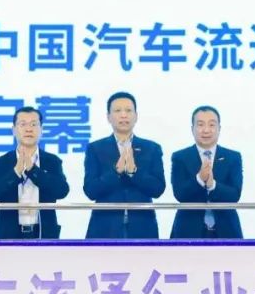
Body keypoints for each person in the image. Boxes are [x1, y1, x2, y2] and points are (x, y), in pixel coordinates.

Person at [83, 92, 166, 238]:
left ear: (136, 116)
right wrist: (116, 172)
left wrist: (134, 172)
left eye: (128, 110)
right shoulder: (95, 148)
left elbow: (158, 189)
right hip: (105, 228)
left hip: (143, 227)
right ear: (108, 117)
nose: (123, 115)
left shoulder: (151, 148)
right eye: (117, 111)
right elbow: (90, 190)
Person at [0, 106, 71, 239]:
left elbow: (62, 191)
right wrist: (16, 172)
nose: (28, 129)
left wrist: (33, 170)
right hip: (8, 234)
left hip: (43, 233)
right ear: (14, 130)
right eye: (23, 124)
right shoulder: (2, 162)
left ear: (41, 130)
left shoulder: (52, 161)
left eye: (34, 124)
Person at [169, 106, 243, 239]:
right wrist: (199, 179)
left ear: (219, 128)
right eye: (200, 124)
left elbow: (235, 194)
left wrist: (212, 185)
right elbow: (179, 193)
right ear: (192, 129)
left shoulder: (233, 157)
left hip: (226, 230)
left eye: (212, 124)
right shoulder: (180, 157)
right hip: (188, 230)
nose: (206, 130)